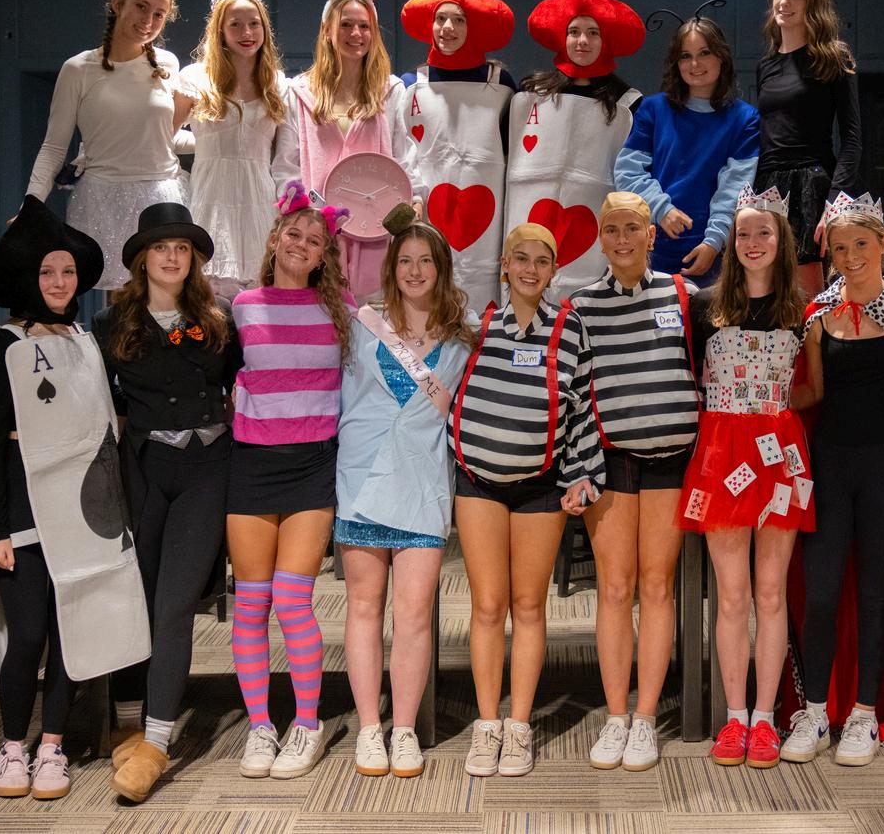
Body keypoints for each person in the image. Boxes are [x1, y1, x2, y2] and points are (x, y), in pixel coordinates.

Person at [0, 195, 150, 801]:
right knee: (28, 635)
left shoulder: (86, 340)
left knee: (74, 630)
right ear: (27, 277)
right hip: (23, 517)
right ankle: (12, 747)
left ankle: (52, 747)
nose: (58, 281)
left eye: (67, 271)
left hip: (83, 514)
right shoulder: (5, 344)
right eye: (47, 271)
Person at [786, 191, 884, 766]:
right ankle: (814, 710)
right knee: (822, 591)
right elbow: (812, 393)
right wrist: (748, 401)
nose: (850, 257)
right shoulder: (816, 315)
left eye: (860, 245)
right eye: (839, 248)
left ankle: (864, 715)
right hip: (829, 466)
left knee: (877, 592)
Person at [93, 204, 243, 802]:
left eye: (183, 248)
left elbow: (242, 382)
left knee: (176, 605)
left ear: (194, 260)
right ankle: (129, 723)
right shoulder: (109, 323)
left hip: (207, 468)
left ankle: (156, 742)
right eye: (161, 248)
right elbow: (97, 397)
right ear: (141, 260)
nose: (172, 257)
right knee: (138, 598)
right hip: (144, 470)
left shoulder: (219, 317)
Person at [450, 223, 603, 778]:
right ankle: (487, 723)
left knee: (529, 605)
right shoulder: (475, 327)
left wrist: (582, 476)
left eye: (542, 261)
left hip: (540, 486)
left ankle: (519, 727)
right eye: (521, 258)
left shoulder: (570, 328)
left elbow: (583, 408)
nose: (531, 269)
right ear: (504, 265)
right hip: (479, 484)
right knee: (488, 606)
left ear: (554, 270)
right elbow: (446, 393)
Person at [335, 206, 473, 779]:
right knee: (365, 607)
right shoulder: (361, 325)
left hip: (421, 484)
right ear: (391, 268)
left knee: (415, 613)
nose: (415, 271)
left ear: (441, 269)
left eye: (426, 262)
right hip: (362, 478)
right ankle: (371, 728)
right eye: (405, 261)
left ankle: (406, 729)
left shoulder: (463, 339)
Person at [676, 186, 810, 770]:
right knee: (731, 594)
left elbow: (812, 388)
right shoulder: (705, 307)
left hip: (779, 456)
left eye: (765, 232)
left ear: (781, 241)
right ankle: (735, 717)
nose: (754, 243)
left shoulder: (801, 310)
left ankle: (765, 718)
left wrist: (774, 417)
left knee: (771, 592)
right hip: (721, 451)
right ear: (732, 242)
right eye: (744, 233)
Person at [569, 192, 700, 771]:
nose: (621, 239)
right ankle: (616, 715)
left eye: (632, 228)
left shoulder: (682, 295)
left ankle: (646, 718)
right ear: (600, 239)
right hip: (613, 462)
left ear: (651, 236)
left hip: (672, 460)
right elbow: (574, 394)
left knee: (657, 586)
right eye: (611, 229)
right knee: (616, 589)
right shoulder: (581, 307)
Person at [225, 182, 351, 781]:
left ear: (326, 254)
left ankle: (307, 724)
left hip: (312, 465)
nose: (302, 244)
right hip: (252, 464)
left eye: (314, 240)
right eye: (294, 233)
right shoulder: (242, 306)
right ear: (276, 238)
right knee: (251, 603)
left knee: (293, 599)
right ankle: (259, 727)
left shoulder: (342, 311)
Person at [276, 0, 426, 301]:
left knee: (374, 318)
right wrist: (304, 211)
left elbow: (405, 156)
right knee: (318, 318)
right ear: (327, 30)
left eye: (364, 26)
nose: (355, 33)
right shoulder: (298, 93)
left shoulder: (390, 92)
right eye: (345, 24)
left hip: (377, 235)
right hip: (316, 237)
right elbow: (285, 165)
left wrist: (415, 202)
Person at [26, 0, 187, 290]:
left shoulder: (167, 64)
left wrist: (221, 145)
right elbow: (54, 147)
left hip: (161, 196)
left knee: (163, 295)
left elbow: (165, 139)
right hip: (102, 198)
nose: (149, 21)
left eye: (159, 14)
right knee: (115, 301)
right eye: (141, 7)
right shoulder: (79, 69)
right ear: (117, 4)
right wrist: (32, 203)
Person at [508, 0, 646, 301]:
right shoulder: (531, 94)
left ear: (605, 39)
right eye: (574, 31)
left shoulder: (629, 104)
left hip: (591, 227)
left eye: (592, 33)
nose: (582, 41)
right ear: (563, 37)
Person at [398, 0, 516, 308]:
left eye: (459, 19)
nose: (447, 27)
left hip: (488, 215)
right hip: (428, 207)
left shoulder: (502, 84)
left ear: (473, 25)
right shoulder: (410, 84)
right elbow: (401, 151)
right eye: (441, 18)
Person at [172, 0, 296, 299]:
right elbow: (161, 139)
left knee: (260, 295)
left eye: (254, 24)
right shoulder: (196, 78)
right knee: (205, 299)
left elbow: (288, 153)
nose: (246, 33)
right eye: (236, 24)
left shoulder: (278, 84)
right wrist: (202, 148)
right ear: (220, 30)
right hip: (210, 198)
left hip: (260, 201)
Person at [615, 12, 759, 281]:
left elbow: (736, 188)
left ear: (721, 57)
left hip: (711, 251)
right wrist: (661, 209)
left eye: (704, 53)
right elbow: (626, 173)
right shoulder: (652, 109)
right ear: (676, 62)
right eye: (685, 56)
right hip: (652, 246)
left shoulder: (744, 119)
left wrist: (714, 241)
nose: (695, 64)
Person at [755, 0, 862, 295]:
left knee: (810, 298)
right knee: (768, 295)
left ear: (813, 1)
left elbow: (852, 138)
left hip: (812, 184)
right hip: (767, 186)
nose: (784, 1)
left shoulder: (834, 56)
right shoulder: (765, 65)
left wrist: (834, 202)